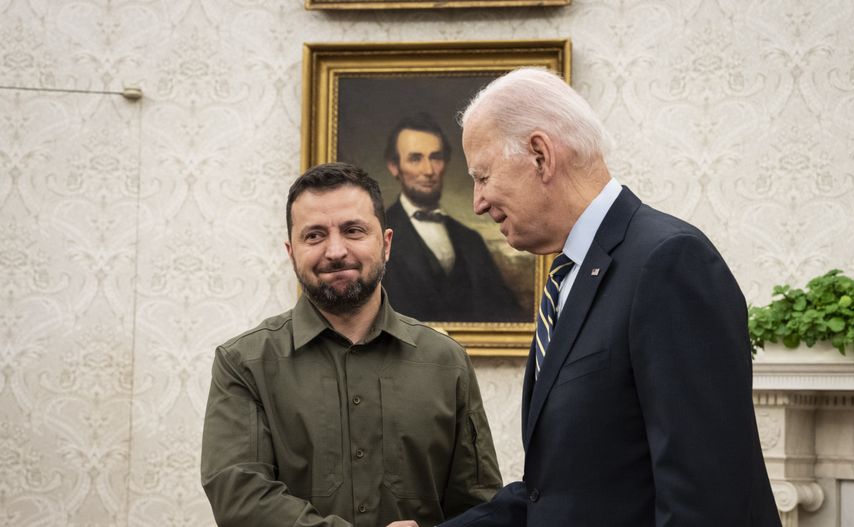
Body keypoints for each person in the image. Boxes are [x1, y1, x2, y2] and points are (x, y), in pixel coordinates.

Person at [434, 69, 782, 526]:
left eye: (482, 176)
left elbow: (708, 497)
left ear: (540, 155)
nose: (476, 201)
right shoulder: (570, 277)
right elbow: (558, 490)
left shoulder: (668, 262)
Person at [200, 162, 503, 527]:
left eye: (353, 230)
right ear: (291, 251)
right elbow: (240, 500)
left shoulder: (446, 362)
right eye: (314, 236)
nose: (335, 250)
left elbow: (479, 507)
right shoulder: (244, 363)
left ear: (386, 244)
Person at [382, 113, 526, 323]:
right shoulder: (376, 235)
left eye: (436, 157)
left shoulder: (470, 240)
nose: (429, 170)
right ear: (394, 167)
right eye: (415, 159)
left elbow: (507, 313)